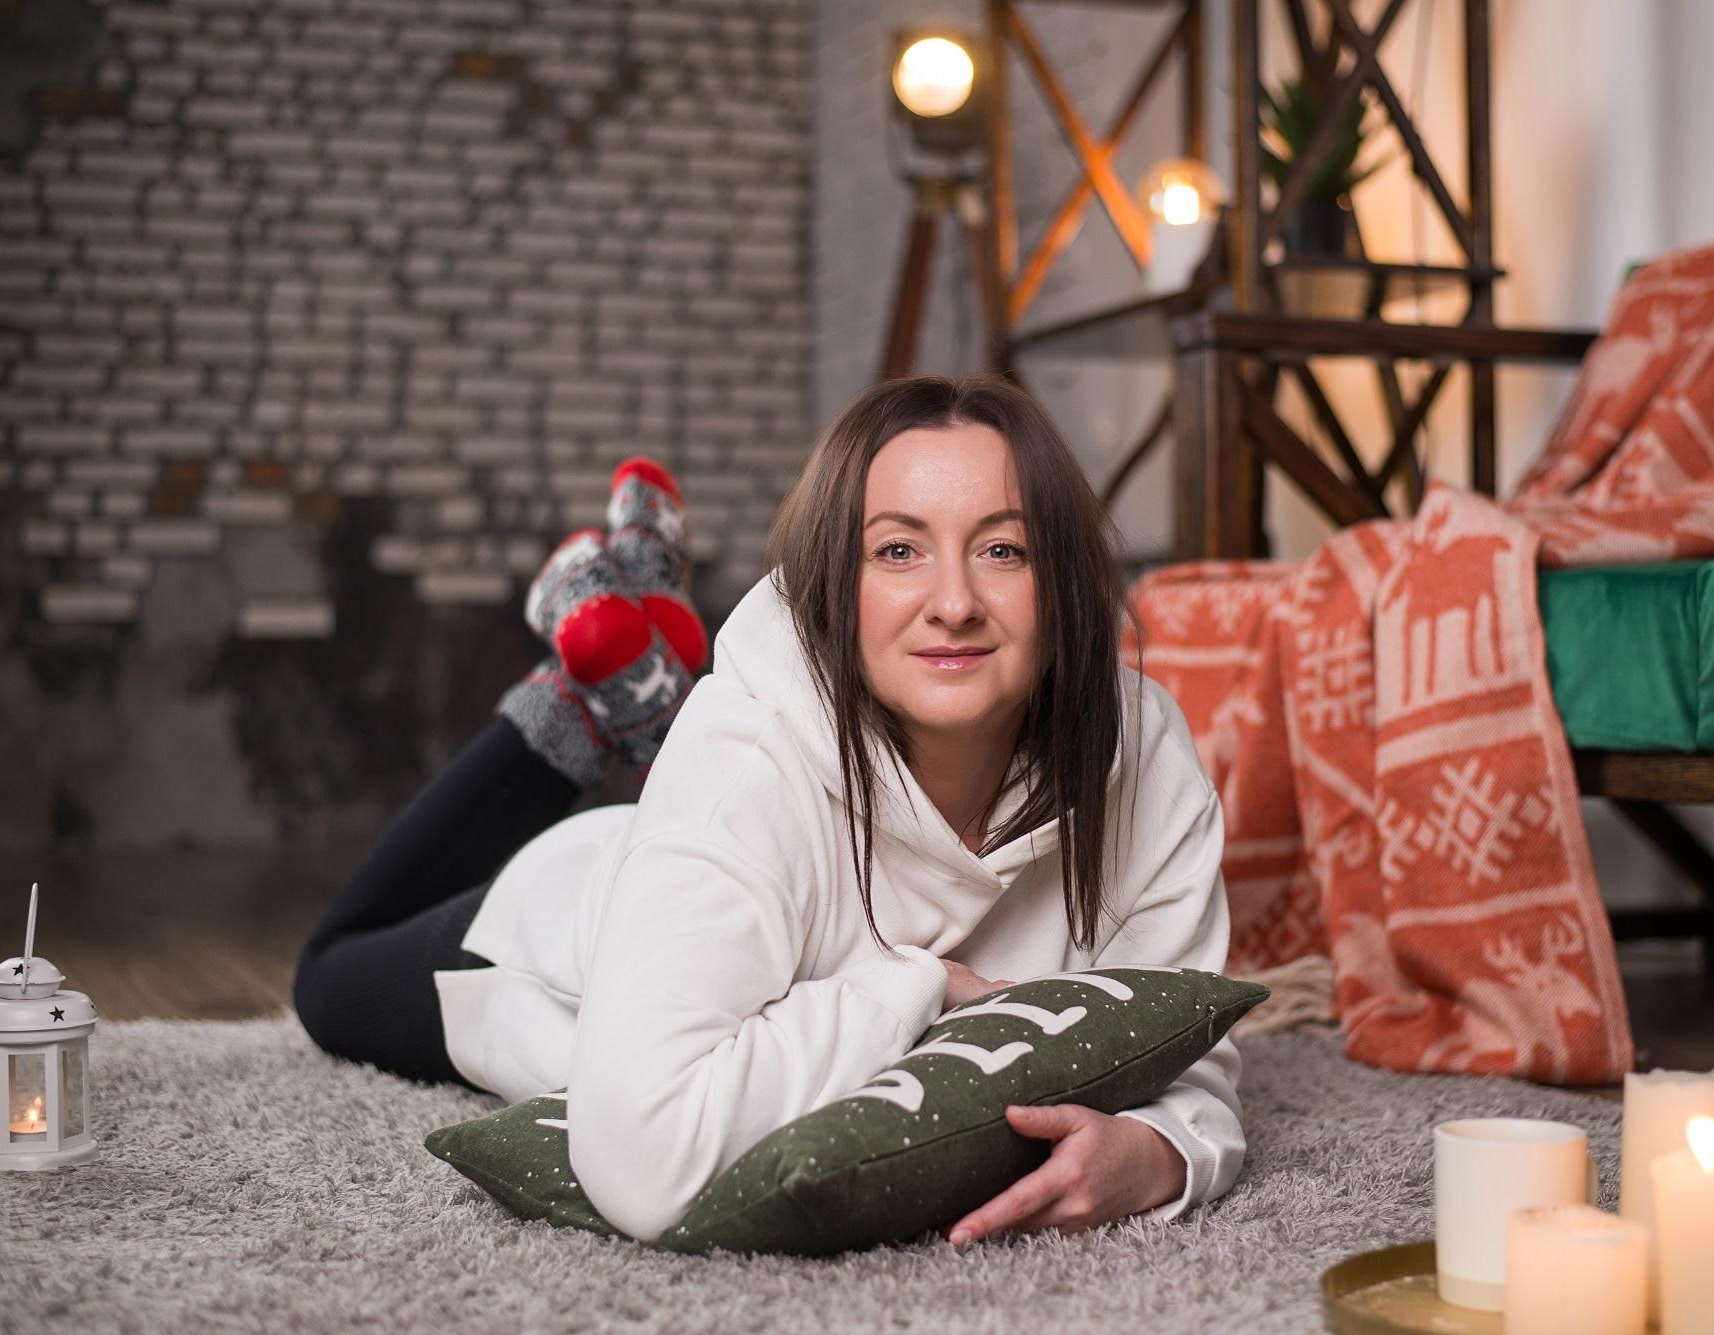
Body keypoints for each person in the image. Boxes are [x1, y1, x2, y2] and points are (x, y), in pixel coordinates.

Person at [293, 374, 1243, 1248]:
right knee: (328, 981)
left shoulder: (1142, 753)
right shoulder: (743, 766)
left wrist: (1163, 1152)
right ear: (834, 584)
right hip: (570, 920)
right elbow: (643, 1165)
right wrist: (913, 987)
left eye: (1003, 549)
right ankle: (571, 713)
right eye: (898, 550)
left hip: (703, 844)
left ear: (1062, 581)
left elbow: (1191, 1050)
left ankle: (634, 700)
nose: (954, 602)